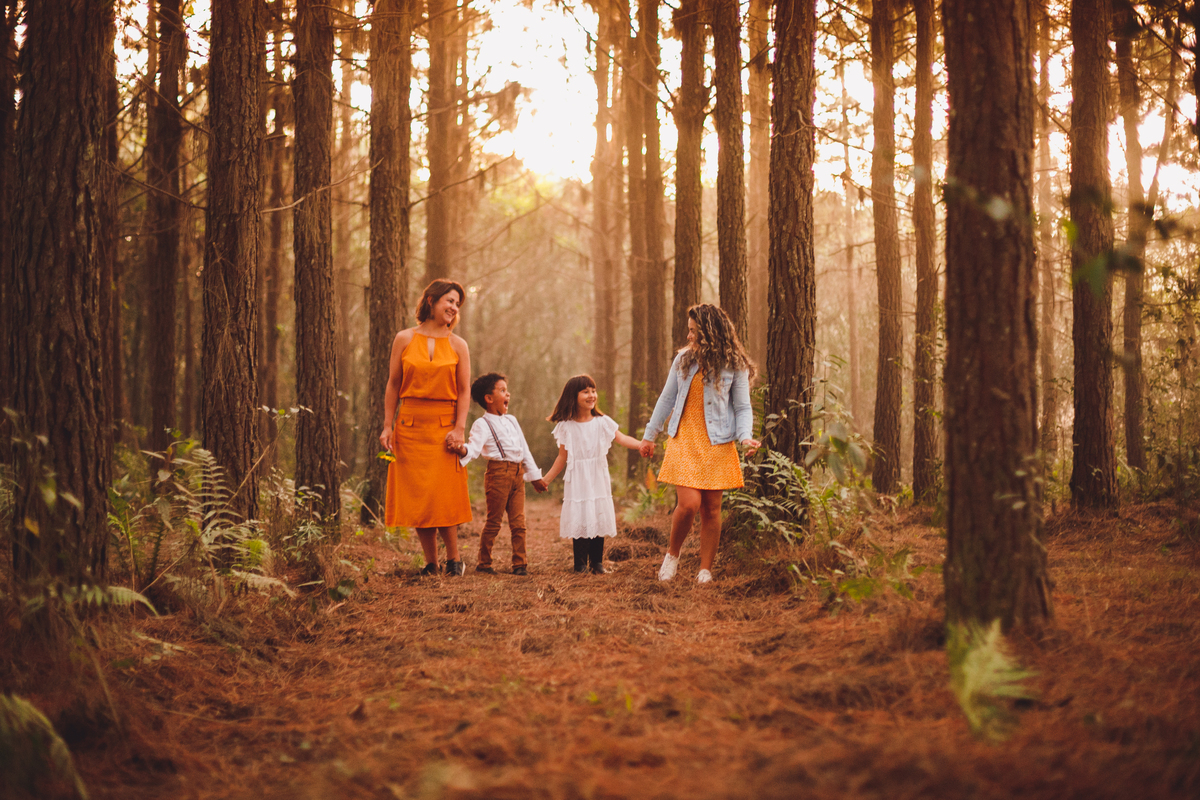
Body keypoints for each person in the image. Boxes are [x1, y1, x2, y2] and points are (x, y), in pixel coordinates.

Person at [639, 304, 761, 584]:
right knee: (689, 504)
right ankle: (673, 554)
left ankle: (705, 569)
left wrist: (745, 436)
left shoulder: (735, 365)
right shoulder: (683, 360)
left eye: (694, 331)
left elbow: (742, 408)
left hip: (717, 442)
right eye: (690, 330)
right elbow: (666, 399)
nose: (689, 335)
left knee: (712, 509)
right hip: (683, 438)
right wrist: (650, 435)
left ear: (710, 331)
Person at [380, 279, 472, 576]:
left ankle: (454, 560)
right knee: (420, 495)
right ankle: (431, 562)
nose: (453, 307)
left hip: (445, 428)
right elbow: (393, 384)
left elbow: (464, 391)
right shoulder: (404, 338)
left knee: (443, 495)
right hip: (410, 426)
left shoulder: (459, 345)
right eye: (449, 300)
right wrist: (387, 426)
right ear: (431, 301)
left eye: (457, 303)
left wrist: (459, 429)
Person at [541, 374, 643, 574]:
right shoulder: (566, 426)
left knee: (597, 512)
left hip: (597, 475)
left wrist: (641, 445)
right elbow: (562, 457)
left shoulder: (602, 422)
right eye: (585, 391)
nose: (591, 395)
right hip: (578, 478)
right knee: (580, 515)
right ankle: (579, 565)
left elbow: (621, 438)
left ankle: (597, 563)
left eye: (593, 390)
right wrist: (546, 480)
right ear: (573, 396)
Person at [456, 372, 548, 576]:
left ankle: (520, 564)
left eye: (507, 390)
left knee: (519, 522)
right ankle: (484, 563)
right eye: (503, 390)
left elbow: (524, 449)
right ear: (489, 399)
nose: (508, 394)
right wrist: (462, 450)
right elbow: (474, 448)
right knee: (494, 521)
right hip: (498, 474)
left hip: (517, 473)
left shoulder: (512, 421)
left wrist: (534, 477)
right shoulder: (482, 424)